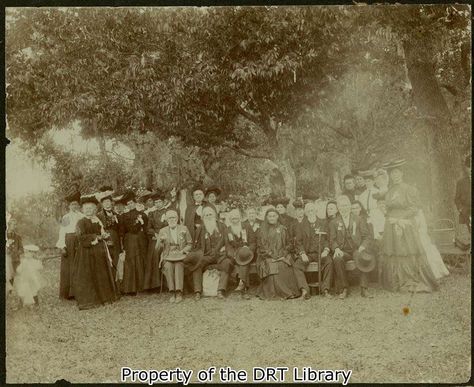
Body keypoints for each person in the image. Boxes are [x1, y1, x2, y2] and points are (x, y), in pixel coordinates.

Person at [379, 159, 439, 293]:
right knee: (393, 249)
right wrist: (388, 215)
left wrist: (400, 219)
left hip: (405, 225)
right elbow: (389, 208)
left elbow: (415, 208)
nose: (395, 176)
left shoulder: (409, 189)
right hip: (391, 224)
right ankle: (397, 281)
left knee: (407, 249)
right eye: (392, 174)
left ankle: (411, 279)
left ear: (402, 173)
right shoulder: (389, 191)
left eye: (397, 173)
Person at [73, 195, 119, 310]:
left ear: (94, 209)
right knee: (88, 274)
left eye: (91, 208)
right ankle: (91, 300)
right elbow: (80, 237)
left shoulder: (97, 220)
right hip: (86, 252)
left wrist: (105, 236)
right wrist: (96, 237)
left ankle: (105, 297)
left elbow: (102, 232)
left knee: (101, 273)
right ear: (83, 210)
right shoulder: (81, 222)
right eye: (86, 209)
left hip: (99, 251)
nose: (89, 210)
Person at [329, 195, 374, 298]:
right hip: (343, 250)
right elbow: (332, 239)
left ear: (349, 207)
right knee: (337, 258)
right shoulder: (334, 222)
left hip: (357, 249)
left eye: (345, 206)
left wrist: (362, 246)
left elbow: (366, 236)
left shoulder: (358, 219)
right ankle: (344, 288)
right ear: (338, 208)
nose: (343, 208)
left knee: (362, 256)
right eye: (341, 206)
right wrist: (336, 249)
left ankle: (364, 289)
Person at [184, 205, 228, 300]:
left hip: (220, 255)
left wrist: (223, 248)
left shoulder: (222, 226)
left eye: (210, 214)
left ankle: (220, 290)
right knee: (197, 265)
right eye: (206, 215)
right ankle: (198, 291)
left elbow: (227, 241)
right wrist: (200, 254)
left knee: (227, 263)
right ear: (203, 218)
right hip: (206, 255)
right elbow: (197, 246)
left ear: (215, 216)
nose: (209, 216)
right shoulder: (200, 229)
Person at [256, 208, 299, 300]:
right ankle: (275, 293)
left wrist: (282, 254)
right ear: (267, 218)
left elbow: (289, 244)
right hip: (266, 256)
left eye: (274, 216)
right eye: (270, 216)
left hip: (282, 255)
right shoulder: (262, 230)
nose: (272, 218)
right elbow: (261, 246)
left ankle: (288, 292)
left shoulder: (283, 229)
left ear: (277, 217)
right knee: (272, 265)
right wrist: (272, 255)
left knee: (283, 265)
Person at [294, 202, 332, 299]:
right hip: (308, 254)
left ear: (316, 211)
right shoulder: (301, 225)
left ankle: (325, 290)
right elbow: (298, 242)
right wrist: (302, 253)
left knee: (329, 262)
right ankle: (305, 290)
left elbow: (328, 239)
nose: (311, 212)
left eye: (312, 210)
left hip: (321, 253)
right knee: (297, 265)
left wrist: (326, 250)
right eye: (308, 211)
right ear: (306, 213)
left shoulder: (323, 223)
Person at [156, 210, 192, 303]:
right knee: (168, 266)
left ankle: (179, 291)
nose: (172, 220)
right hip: (168, 255)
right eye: (170, 218)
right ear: (167, 220)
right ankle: (172, 292)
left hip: (180, 254)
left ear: (177, 219)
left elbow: (190, 244)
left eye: (174, 217)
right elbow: (157, 249)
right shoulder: (162, 231)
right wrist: (161, 241)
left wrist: (183, 251)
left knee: (178, 265)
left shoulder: (184, 228)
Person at [119, 191, 148, 295]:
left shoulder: (142, 214)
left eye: (131, 203)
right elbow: (123, 231)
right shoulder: (123, 216)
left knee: (140, 260)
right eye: (128, 203)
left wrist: (141, 223)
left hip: (140, 240)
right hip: (130, 240)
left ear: (135, 203)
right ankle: (130, 288)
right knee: (131, 261)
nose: (130, 205)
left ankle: (142, 286)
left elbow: (145, 228)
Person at [56, 189, 84, 300]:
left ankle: (79, 292)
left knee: (80, 265)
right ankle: (68, 293)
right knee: (69, 267)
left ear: (79, 205)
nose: (74, 206)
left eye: (76, 204)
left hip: (80, 241)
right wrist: (62, 246)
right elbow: (62, 232)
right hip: (69, 241)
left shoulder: (82, 216)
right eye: (72, 204)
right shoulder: (66, 217)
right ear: (69, 206)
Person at [225, 209, 256, 299]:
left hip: (247, 252)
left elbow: (253, 242)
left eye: (237, 218)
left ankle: (242, 285)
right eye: (233, 219)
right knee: (241, 261)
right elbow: (228, 246)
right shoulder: (228, 230)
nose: (235, 220)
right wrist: (233, 255)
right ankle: (244, 287)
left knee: (244, 259)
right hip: (234, 254)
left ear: (240, 218)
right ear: (230, 220)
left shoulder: (246, 226)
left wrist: (249, 250)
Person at [144, 190, 167, 292]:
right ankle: (154, 285)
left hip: (166, 236)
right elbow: (148, 228)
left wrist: (162, 234)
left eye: (159, 202)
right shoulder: (151, 214)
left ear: (163, 202)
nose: (157, 204)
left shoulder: (167, 212)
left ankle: (167, 284)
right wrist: (155, 234)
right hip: (155, 237)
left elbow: (170, 225)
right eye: (156, 202)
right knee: (153, 255)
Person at [96, 186, 121, 279]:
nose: (107, 204)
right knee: (107, 260)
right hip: (105, 239)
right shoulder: (98, 216)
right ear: (102, 204)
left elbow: (120, 229)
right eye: (105, 203)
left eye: (109, 202)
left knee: (117, 260)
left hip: (116, 239)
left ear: (112, 203)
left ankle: (118, 285)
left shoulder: (116, 214)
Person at [455, 155, 471, 233]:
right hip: (466, 215)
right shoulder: (461, 182)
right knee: (466, 240)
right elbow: (456, 199)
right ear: (466, 168)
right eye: (469, 166)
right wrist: (461, 209)